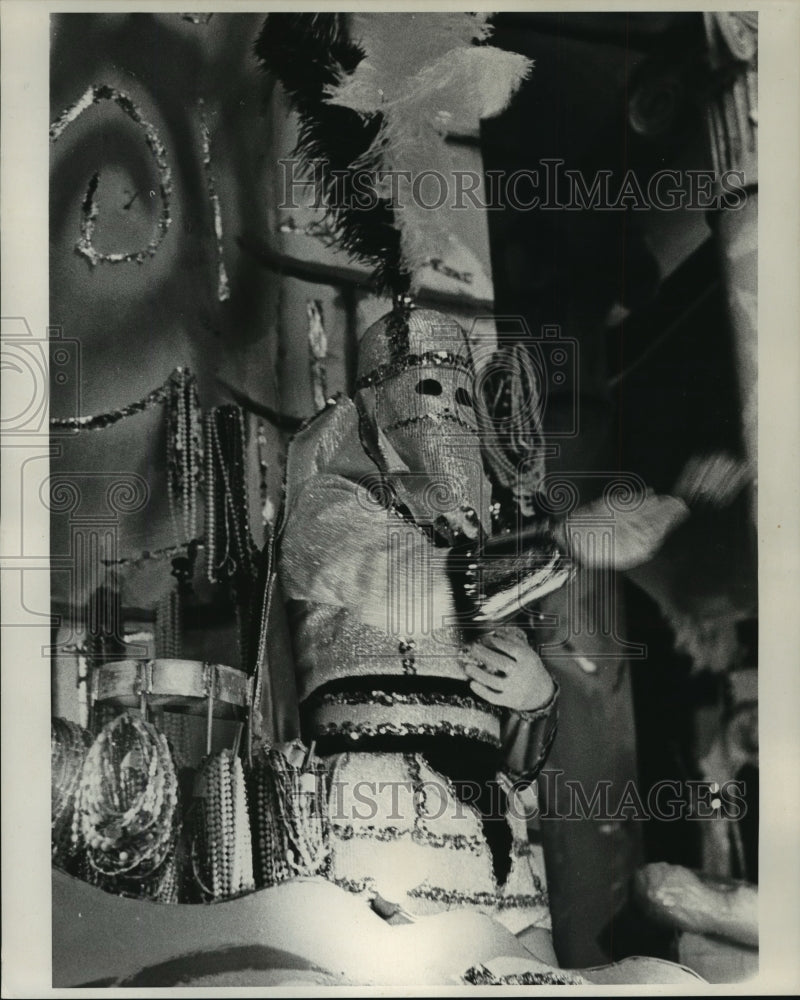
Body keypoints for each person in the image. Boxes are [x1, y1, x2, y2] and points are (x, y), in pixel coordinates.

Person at [277, 303, 697, 982]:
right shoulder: (329, 505)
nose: (447, 410)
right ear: (374, 405)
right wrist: (565, 543)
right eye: (427, 389)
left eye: (463, 393)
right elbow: (403, 589)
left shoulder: (478, 543)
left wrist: (534, 701)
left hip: (495, 842)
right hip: (375, 824)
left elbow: (514, 753)